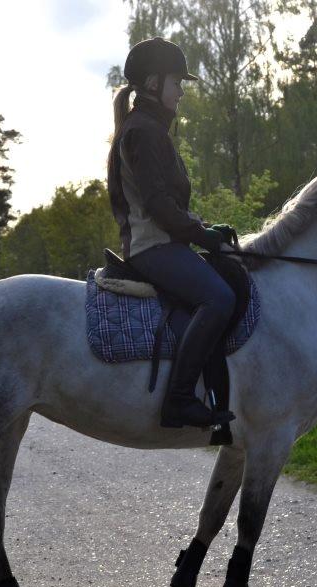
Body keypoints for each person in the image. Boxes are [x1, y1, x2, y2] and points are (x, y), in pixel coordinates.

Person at [106, 36, 237, 430]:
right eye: (176, 82)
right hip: (151, 247)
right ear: (151, 84)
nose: (180, 92)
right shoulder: (144, 131)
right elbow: (160, 208)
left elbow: (169, 205)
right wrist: (203, 235)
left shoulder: (148, 128)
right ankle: (178, 399)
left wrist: (204, 228)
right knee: (218, 298)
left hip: (162, 242)